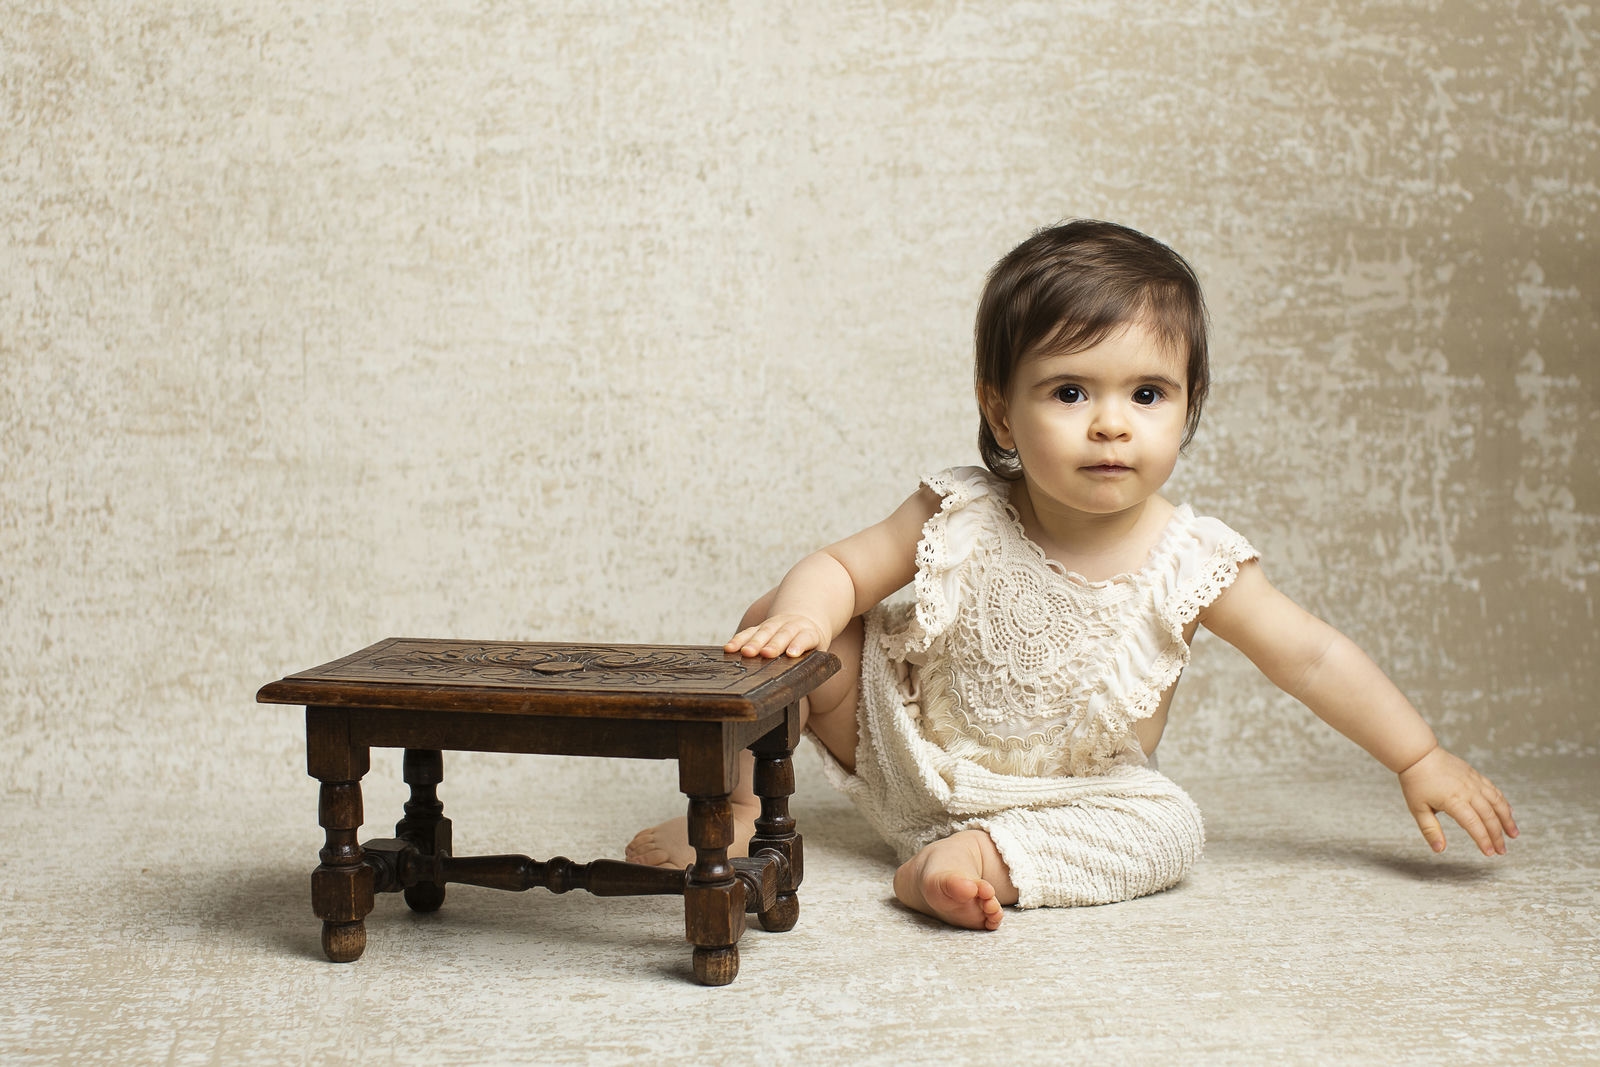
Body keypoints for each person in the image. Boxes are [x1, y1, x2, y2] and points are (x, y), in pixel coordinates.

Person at [626, 219, 1518, 930]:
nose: (1111, 425)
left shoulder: (1192, 558)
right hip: (905, 752)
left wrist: (1418, 753)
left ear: (1187, 405)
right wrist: (812, 615)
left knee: (1171, 828)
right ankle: (736, 807)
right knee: (781, 619)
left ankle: (968, 863)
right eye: (1069, 392)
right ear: (1000, 410)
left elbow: (1313, 658)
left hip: (1068, 799)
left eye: (1147, 394)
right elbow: (842, 566)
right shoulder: (961, 506)